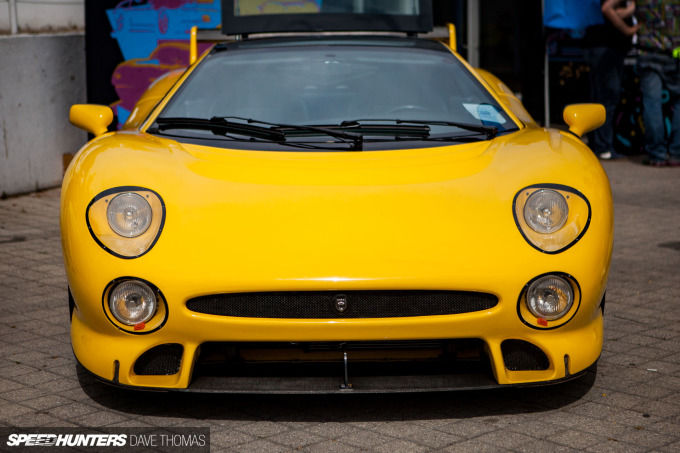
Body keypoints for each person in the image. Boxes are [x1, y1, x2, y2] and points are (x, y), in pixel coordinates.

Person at [582, 0, 639, 160]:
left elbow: (614, 11)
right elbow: (607, 8)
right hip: (606, 47)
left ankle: (596, 144)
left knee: (597, 99)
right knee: (607, 99)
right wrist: (629, 30)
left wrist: (629, 9)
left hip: (597, 45)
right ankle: (603, 147)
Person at [636, 0, 680, 167]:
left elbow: (610, 7)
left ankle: (657, 155)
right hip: (674, 53)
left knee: (652, 104)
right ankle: (676, 153)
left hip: (647, 52)